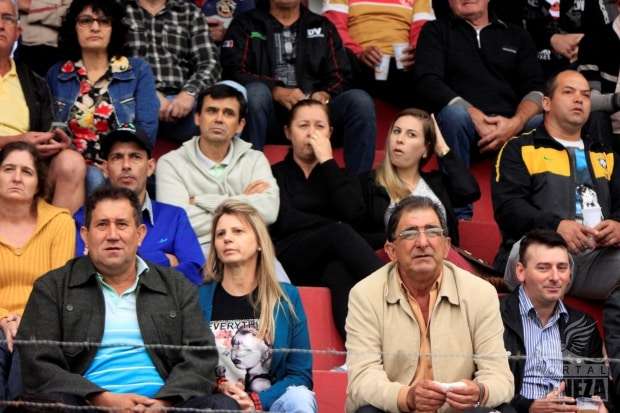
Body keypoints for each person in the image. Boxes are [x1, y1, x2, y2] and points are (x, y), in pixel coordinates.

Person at [15, 186, 240, 411]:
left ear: (140, 234)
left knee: (222, 406)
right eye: (102, 225)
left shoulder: (176, 286)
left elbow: (201, 356)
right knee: (44, 404)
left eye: (122, 224)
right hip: (84, 406)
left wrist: (163, 402)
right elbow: (37, 362)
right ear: (85, 235)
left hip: (166, 406)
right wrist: (100, 398)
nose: (112, 235)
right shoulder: (53, 287)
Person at [492, 70, 620, 395]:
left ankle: (610, 387)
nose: (579, 99)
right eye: (569, 92)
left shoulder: (605, 153)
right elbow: (508, 208)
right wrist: (556, 226)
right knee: (537, 251)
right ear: (546, 103)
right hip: (533, 253)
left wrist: (618, 225)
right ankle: (528, 392)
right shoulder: (519, 148)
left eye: (586, 95)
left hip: (593, 258)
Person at [345, 196, 514, 413]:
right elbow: (362, 379)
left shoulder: (480, 293)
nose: (423, 243)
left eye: (432, 231)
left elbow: (500, 377)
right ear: (391, 251)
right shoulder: (365, 294)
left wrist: (480, 391)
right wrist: (407, 397)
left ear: (446, 246)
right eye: (410, 233)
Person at [220, 0, 376, 174]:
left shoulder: (322, 25)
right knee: (256, 93)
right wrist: (275, 90)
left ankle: (359, 185)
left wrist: (325, 95)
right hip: (269, 119)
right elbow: (233, 71)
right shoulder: (245, 23)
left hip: (318, 118)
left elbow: (341, 74)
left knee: (360, 101)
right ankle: (247, 178)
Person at [270, 99, 382, 338]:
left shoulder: (340, 175)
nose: (312, 133)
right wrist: (334, 225)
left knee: (338, 272)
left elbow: (354, 215)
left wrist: (328, 162)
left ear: (330, 133)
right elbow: (283, 219)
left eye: (319, 126)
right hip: (289, 256)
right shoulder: (274, 173)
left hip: (326, 263)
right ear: (288, 132)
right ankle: (394, 289)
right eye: (303, 126)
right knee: (339, 232)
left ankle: (357, 349)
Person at [199, 200, 316, 412]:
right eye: (220, 234)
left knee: (300, 397)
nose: (227, 238)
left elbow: (300, 374)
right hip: (218, 405)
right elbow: (188, 367)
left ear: (260, 242)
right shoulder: (199, 297)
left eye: (238, 231)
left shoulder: (286, 298)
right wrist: (218, 388)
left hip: (270, 405)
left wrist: (256, 401)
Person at [413, 0, 545, 176]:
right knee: (454, 115)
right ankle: (458, 191)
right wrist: (473, 115)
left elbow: (536, 88)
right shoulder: (436, 30)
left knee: (551, 120)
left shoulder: (517, 35)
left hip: (513, 124)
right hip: (461, 124)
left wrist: (516, 123)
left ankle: (553, 193)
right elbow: (427, 80)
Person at [48, 0, 159, 195]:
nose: (95, 27)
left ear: (113, 28)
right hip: (70, 166)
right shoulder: (57, 73)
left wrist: (112, 164)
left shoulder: (137, 71)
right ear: (74, 27)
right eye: (86, 21)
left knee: (97, 178)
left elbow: (146, 131)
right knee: (91, 176)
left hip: (121, 164)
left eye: (104, 21)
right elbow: (47, 129)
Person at [156, 82, 280, 254]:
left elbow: (269, 212)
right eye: (212, 111)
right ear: (197, 118)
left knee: (278, 274)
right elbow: (176, 223)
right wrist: (244, 201)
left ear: (240, 125)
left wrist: (202, 201)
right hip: (198, 251)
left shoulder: (255, 159)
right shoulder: (171, 163)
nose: (219, 119)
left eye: (228, 113)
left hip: (250, 251)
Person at [73, 125, 205, 284]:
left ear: (150, 167)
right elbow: (81, 275)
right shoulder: (84, 218)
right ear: (106, 169)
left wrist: (116, 264)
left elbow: (194, 274)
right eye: (117, 157)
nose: (126, 165)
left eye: (135, 157)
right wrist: (161, 259)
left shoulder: (174, 217)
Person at [500, 229, 609, 413]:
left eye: (562, 268)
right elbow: (482, 388)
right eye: (543, 268)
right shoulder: (495, 316)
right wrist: (529, 407)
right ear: (521, 271)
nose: (555, 277)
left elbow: (591, 394)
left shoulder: (583, 325)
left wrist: (590, 407)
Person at [0, 141, 75, 401]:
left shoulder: (60, 222)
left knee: (30, 345)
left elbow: (59, 291)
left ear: (39, 183)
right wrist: (4, 318)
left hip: (42, 324)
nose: (17, 178)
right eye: (8, 169)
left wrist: (25, 320)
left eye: (27, 172)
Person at [0, 0, 85, 213]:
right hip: (12, 155)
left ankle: (55, 233)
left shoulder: (35, 82)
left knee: (71, 161)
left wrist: (55, 144)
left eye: (7, 18)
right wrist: (15, 141)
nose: (0, 25)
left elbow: (47, 131)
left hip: (28, 162)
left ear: (18, 32)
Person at [357, 108, 480, 248]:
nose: (400, 139)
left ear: (426, 149)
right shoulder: (366, 183)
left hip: (443, 259)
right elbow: (354, 237)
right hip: (389, 259)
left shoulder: (437, 183)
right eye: (396, 131)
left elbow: (469, 192)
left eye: (411, 134)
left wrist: (441, 147)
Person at [124, 0, 220, 142]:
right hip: (134, 100)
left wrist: (189, 92)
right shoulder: (119, 9)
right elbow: (108, 60)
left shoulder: (189, 11)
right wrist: (147, 92)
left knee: (233, 94)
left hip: (183, 104)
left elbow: (209, 62)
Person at [323, 0, 433, 107]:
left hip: (403, 64)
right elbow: (334, 27)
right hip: (356, 62)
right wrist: (358, 53)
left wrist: (415, 51)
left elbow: (423, 28)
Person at [495, 0, 610, 78]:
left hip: (575, 76)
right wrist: (551, 39)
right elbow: (503, 34)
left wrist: (584, 46)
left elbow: (605, 37)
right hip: (524, 76)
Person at [577, 0, 620, 153]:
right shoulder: (594, 40)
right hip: (609, 130)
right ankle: (602, 166)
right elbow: (588, 100)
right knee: (596, 116)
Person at [13, 0, 72, 77]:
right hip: (26, 51)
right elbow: (18, 4)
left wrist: (30, 7)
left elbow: (69, 14)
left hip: (59, 52)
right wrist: (54, 9)